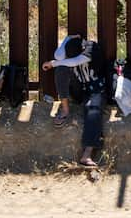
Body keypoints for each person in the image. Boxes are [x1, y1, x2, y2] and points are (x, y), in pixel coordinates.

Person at [42, 34, 106, 168]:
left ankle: (87, 154)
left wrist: (53, 63)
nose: (67, 58)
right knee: (61, 70)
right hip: (79, 89)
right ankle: (65, 109)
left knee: (93, 110)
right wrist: (67, 38)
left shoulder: (91, 47)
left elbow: (75, 61)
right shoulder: (69, 46)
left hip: (95, 89)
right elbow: (59, 55)